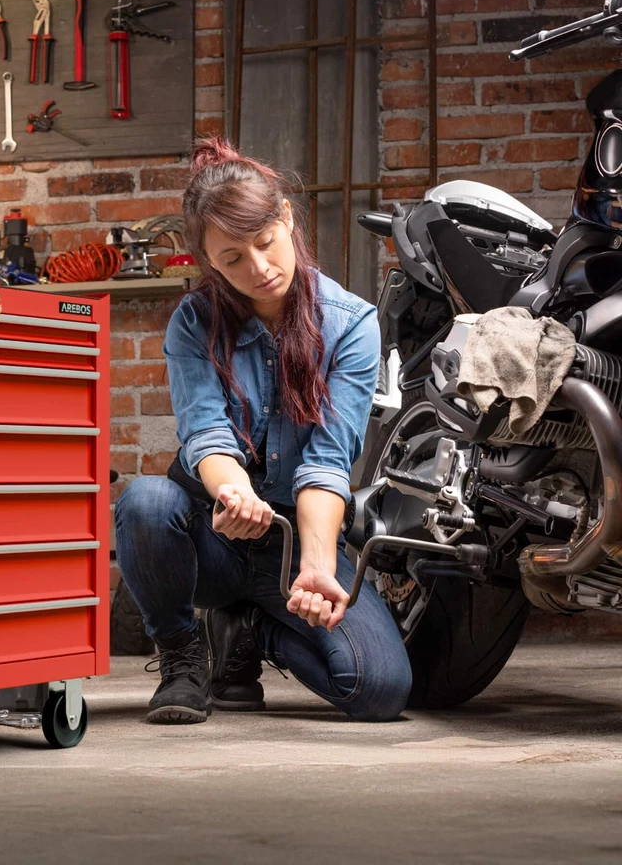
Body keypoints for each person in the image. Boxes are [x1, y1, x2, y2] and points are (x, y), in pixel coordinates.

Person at [115, 137, 413, 725]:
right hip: (214, 537)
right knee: (145, 502)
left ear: (287, 220)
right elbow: (205, 432)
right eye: (232, 259)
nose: (258, 269)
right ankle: (183, 655)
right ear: (208, 262)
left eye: (265, 243)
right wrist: (233, 492)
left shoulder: (351, 325)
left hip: (294, 540)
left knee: (378, 690)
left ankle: (251, 629)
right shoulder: (193, 323)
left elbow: (330, 458)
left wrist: (319, 566)